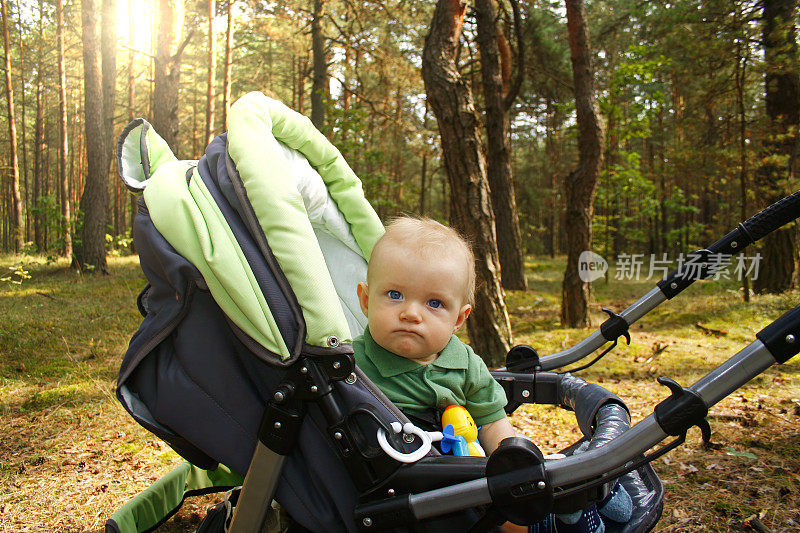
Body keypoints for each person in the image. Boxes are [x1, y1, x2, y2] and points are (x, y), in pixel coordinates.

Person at [354, 216, 515, 454]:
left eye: (434, 303)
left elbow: (492, 422)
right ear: (366, 301)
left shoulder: (467, 366)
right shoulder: (352, 363)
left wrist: (511, 458)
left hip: (457, 479)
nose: (411, 314)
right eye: (395, 295)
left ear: (459, 319)